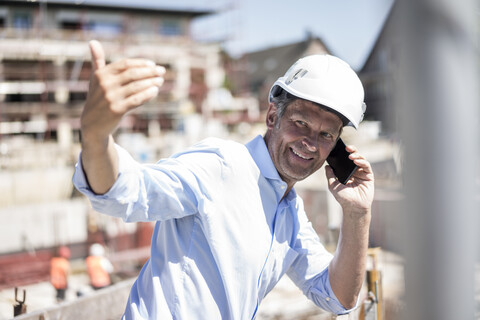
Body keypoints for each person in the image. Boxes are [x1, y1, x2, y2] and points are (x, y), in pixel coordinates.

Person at [73, 40, 374, 319]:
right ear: (272, 117)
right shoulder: (221, 165)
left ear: (335, 147)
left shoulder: (291, 215)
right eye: (300, 122)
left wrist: (357, 214)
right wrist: (96, 135)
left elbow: (338, 297)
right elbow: (127, 191)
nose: (309, 142)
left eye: (325, 135)